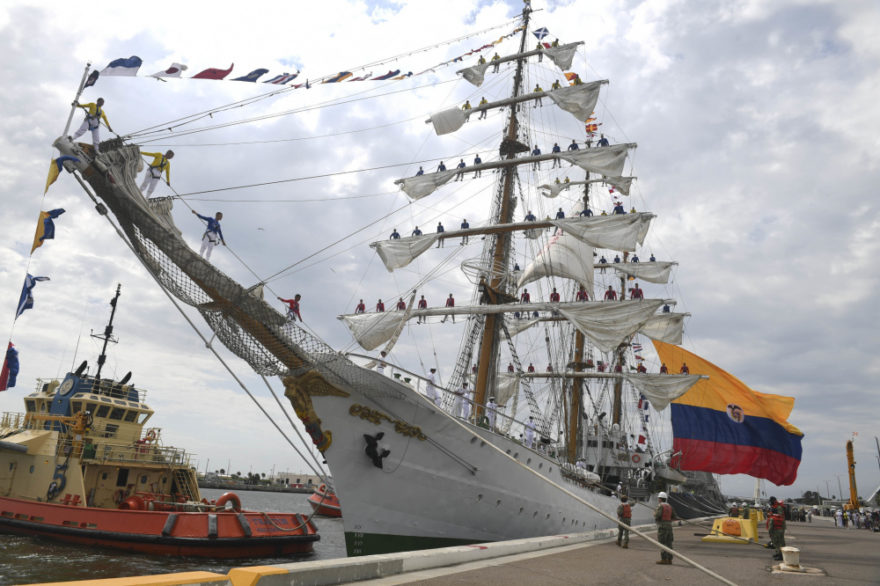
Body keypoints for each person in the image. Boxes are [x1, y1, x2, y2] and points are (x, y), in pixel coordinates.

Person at [654, 491, 678, 564]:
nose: (658, 500)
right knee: (669, 543)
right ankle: (670, 559)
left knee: (662, 543)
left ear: (660, 499)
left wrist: (654, 513)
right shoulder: (670, 506)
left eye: (659, 498)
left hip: (662, 526)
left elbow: (657, 516)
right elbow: (674, 516)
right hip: (669, 526)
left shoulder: (660, 506)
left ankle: (664, 559)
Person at [767, 496, 787, 561]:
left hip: (779, 527)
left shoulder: (779, 507)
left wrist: (772, 515)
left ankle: (781, 555)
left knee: (779, 542)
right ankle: (778, 553)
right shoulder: (775, 507)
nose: (770, 503)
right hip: (776, 526)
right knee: (775, 541)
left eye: (771, 502)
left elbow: (780, 517)